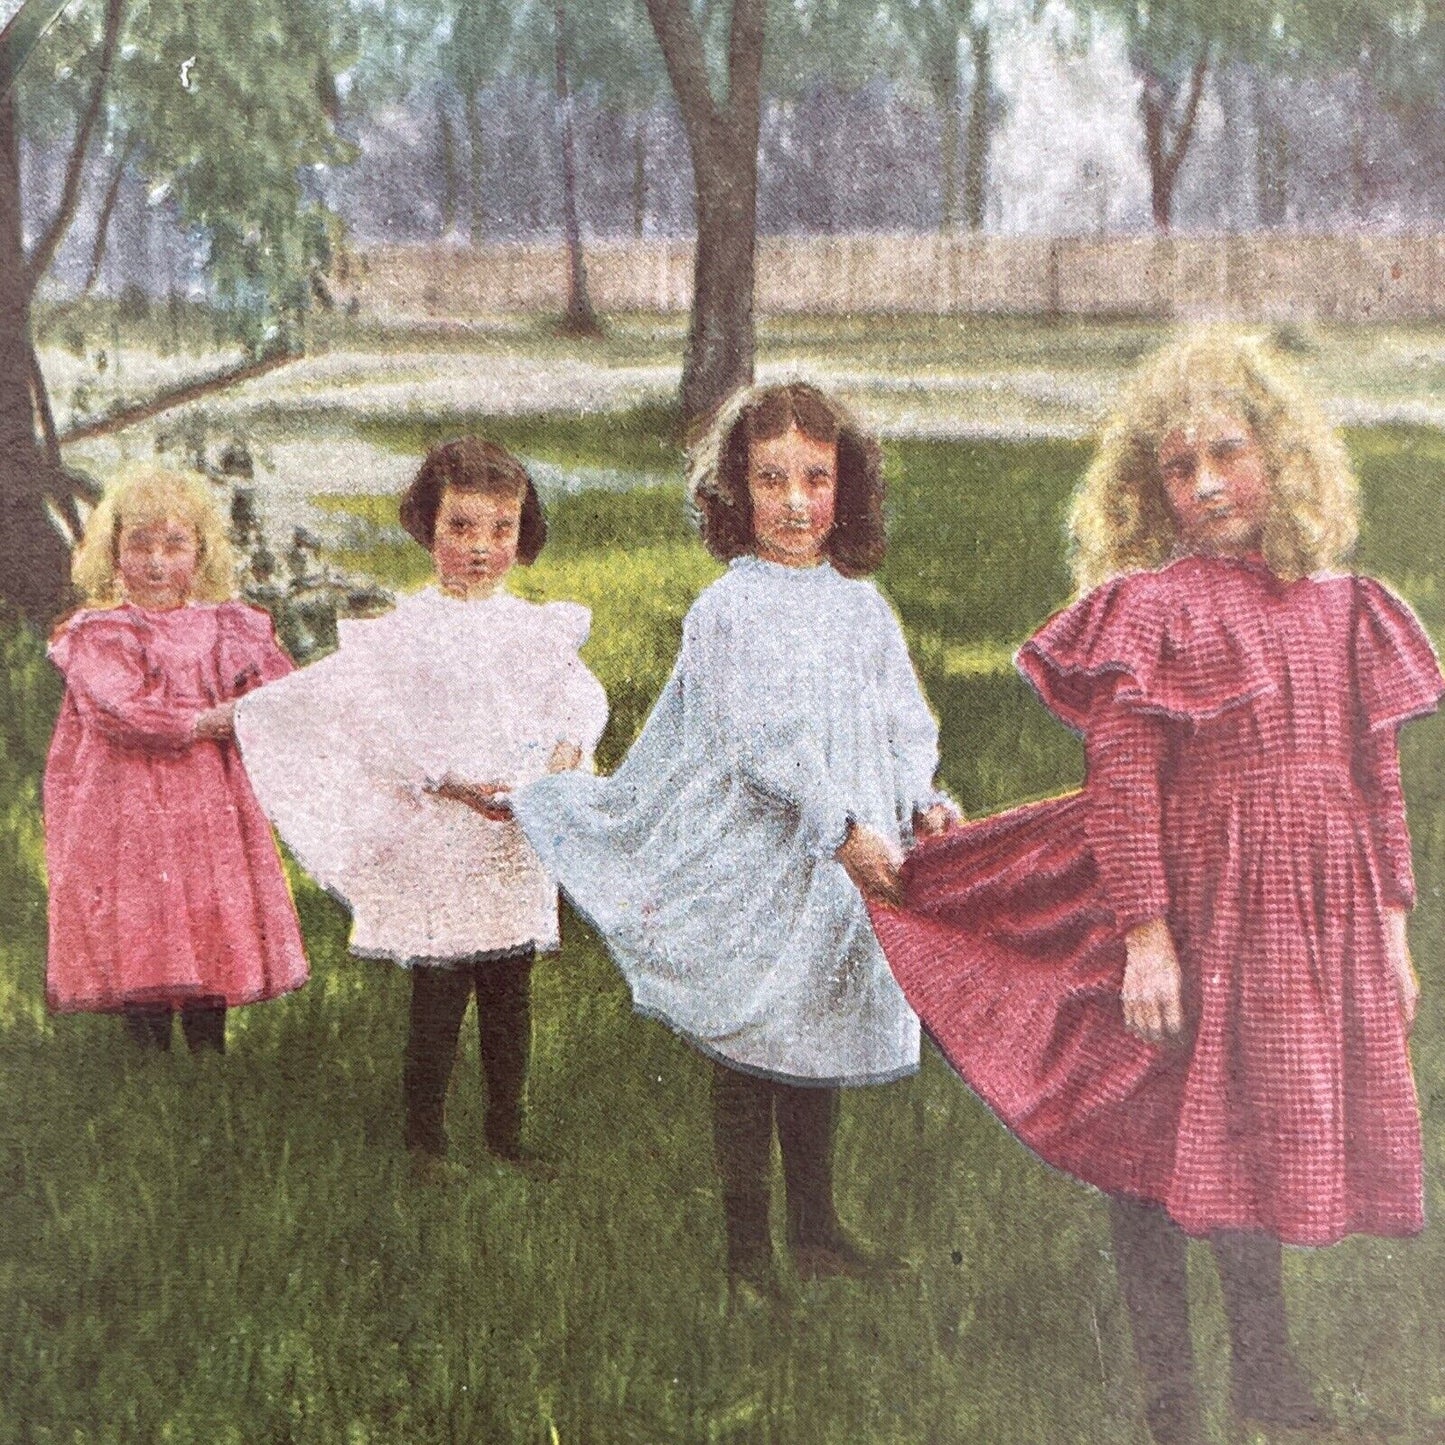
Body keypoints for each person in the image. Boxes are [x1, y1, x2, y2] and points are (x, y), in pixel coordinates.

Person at [870, 332, 1442, 1444]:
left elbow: (1375, 779)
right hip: (1187, 908)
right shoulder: (1152, 608)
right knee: (1151, 1140)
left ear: (1282, 455)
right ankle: (1167, 1399)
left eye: (1228, 454)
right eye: (1179, 470)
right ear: (1148, 490)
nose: (1208, 485)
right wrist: (1144, 934)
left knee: (1255, 1133)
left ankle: (1266, 1376)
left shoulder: (1342, 607)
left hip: (1301, 924)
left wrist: (1388, 925)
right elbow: (1122, 780)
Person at [515, 382, 952, 1293]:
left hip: (847, 857)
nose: (795, 503)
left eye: (816, 478)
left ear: (849, 487)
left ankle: (819, 1227)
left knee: (817, 1025)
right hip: (763, 850)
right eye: (769, 479)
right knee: (754, 1031)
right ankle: (749, 1248)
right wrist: (837, 827)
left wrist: (919, 796)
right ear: (732, 491)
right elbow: (760, 741)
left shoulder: (862, 609)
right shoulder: (729, 609)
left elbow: (902, 718)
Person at [236, 437, 606, 1176]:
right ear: (427, 529)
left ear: (521, 533)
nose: (480, 548)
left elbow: (579, 696)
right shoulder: (408, 630)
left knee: (509, 988)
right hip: (443, 834)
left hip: (512, 836)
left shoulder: (534, 626)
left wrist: (563, 756)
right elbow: (379, 721)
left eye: (500, 530)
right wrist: (446, 777)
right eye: (461, 529)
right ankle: (425, 1139)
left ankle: (507, 1130)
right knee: (440, 988)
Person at [44, 466, 308, 1053]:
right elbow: (121, 710)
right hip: (128, 799)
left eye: (174, 546)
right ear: (112, 553)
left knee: (209, 905)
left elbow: (276, 689)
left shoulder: (227, 626)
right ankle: (149, 1058)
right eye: (139, 546)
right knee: (146, 910)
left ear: (201, 552)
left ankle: (208, 1057)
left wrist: (262, 702)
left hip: (208, 802)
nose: (158, 564)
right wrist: (203, 720)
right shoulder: (103, 633)